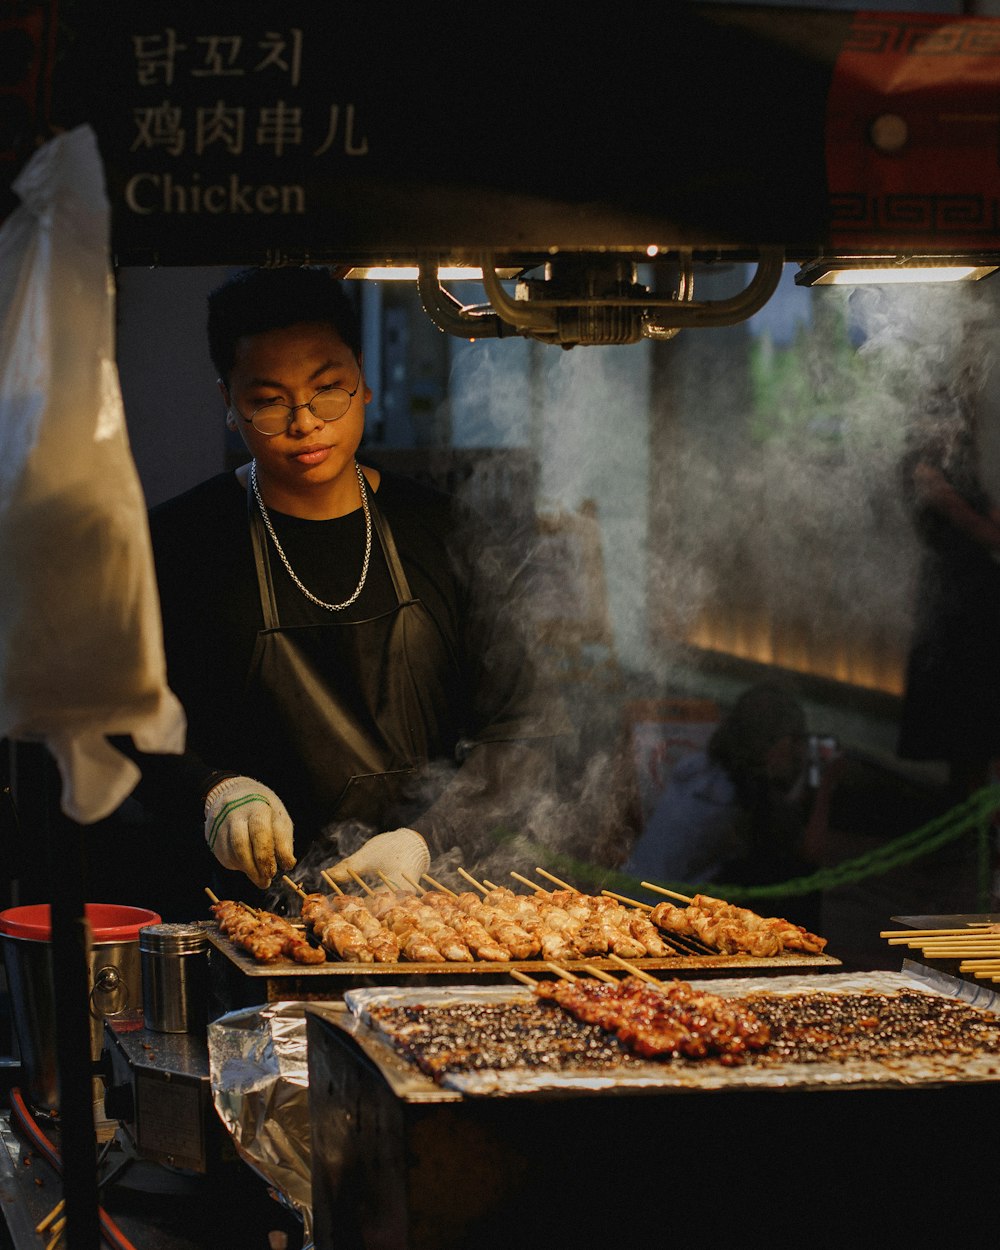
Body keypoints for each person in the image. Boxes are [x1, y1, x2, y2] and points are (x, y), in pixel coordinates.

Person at [122, 266, 561, 916]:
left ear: (363, 380)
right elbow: (121, 718)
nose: (304, 423)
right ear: (228, 400)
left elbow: (521, 732)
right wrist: (211, 791)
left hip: (423, 912)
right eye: (268, 400)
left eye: (328, 390)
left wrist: (422, 840)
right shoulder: (178, 543)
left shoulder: (448, 531)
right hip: (234, 918)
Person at [622, 682, 840, 927]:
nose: (799, 754)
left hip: (626, 897)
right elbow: (810, 854)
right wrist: (825, 788)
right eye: (796, 742)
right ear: (780, 744)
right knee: (795, 885)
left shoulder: (698, 768)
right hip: (656, 917)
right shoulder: (738, 800)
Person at [897, 395, 1000, 800]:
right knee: (963, 709)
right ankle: (966, 815)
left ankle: (976, 811)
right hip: (952, 596)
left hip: (979, 592)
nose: (952, 431)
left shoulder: (958, 471)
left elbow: (990, 517)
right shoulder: (923, 472)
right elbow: (975, 525)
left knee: (981, 705)